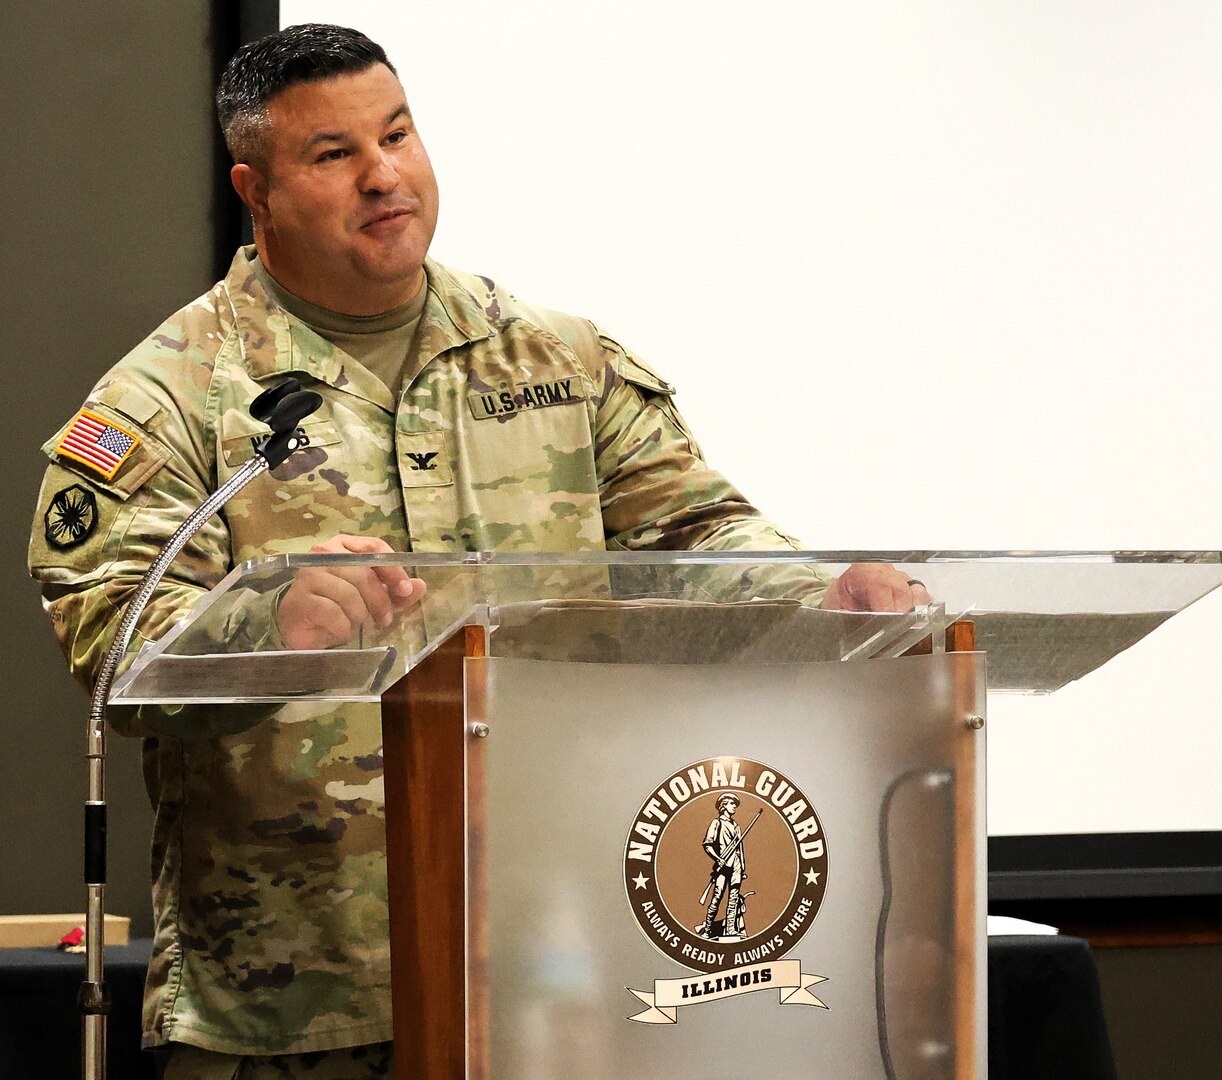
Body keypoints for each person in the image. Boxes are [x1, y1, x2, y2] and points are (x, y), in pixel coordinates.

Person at [29, 23, 927, 1078]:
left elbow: (695, 534)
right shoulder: (170, 396)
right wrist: (268, 624)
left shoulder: (557, 359)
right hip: (299, 1002)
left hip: (562, 980)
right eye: (334, 154)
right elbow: (115, 646)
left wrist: (820, 591)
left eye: (397, 135)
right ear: (255, 190)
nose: (383, 176)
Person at [699, 793, 748, 940]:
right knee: (717, 896)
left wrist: (742, 867)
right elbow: (707, 844)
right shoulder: (717, 823)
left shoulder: (736, 826)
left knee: (733, 898)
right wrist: (717, 859)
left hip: (736, 866)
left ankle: (730, 929)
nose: (734, 807)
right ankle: (708, 930)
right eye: (731, 804)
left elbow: (740, 848)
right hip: (723, 865)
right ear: (724, 805)